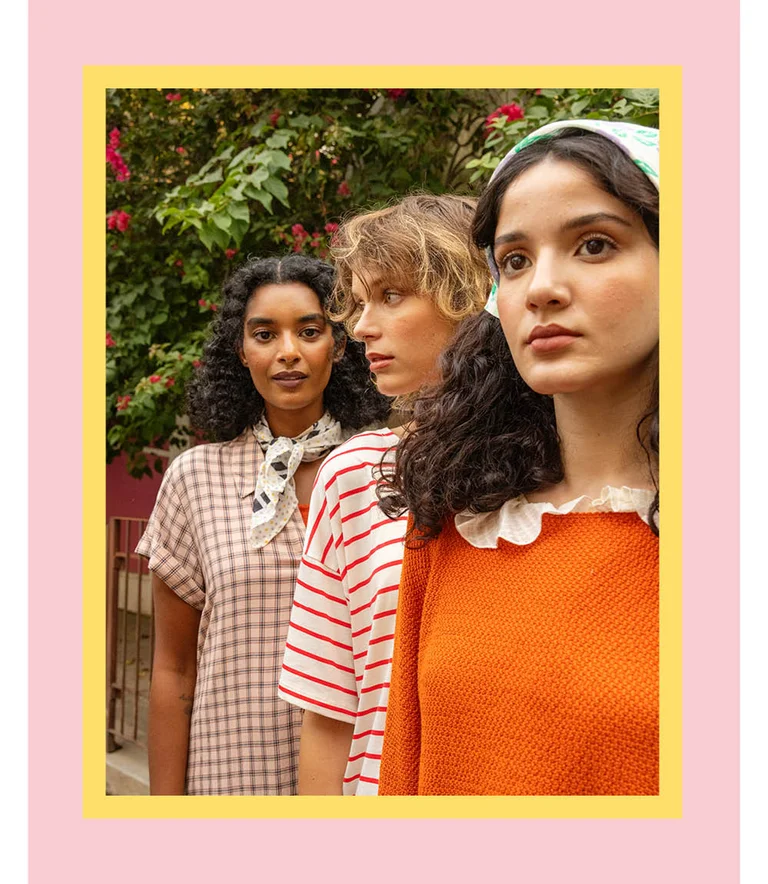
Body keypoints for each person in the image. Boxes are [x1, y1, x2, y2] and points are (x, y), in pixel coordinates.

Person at [377, 121, 661, 796]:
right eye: (515, 261)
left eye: (594, 245)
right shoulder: (457, 519)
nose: (542, 288)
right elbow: (402, 775)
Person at [136, 255, 391, 795]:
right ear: (241, 350)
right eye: (264, 334)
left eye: (309, 330)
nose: (288, 352)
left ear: (340, 345)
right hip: (230, 778)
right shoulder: (195, 478)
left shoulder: (387, 471)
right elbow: (174, 670)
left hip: (355, 783)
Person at [277, 195, 490, 794]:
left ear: (471, 297)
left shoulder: (572, 473)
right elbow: (328, 710)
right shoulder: (354, 475)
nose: (362, 326)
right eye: (361, 302)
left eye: (391, 296)